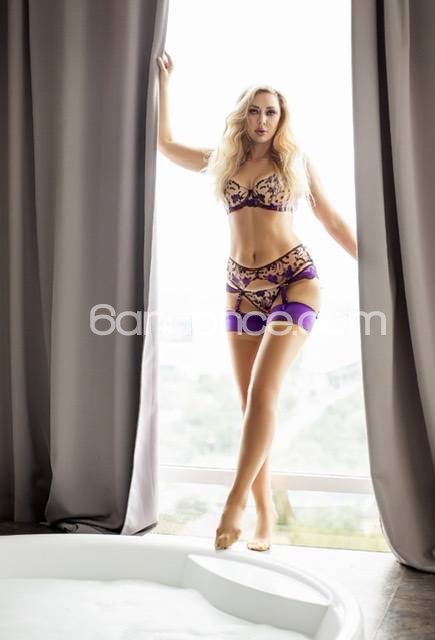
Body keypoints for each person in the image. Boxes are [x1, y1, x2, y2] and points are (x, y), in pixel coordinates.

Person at [156, 50, 358, 552]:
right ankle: (267, 514)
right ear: (243, 116)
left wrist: (380, 267)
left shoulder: (294, 163)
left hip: (294, 281)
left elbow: (331, 220)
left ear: (281, 118)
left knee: (264, 391)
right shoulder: (224, 161)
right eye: (255, 110)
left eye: (271, 111)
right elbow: (166, 145)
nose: (263, 119)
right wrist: (165, 84)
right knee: (250, 404)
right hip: (240, 289)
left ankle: (235, 504)